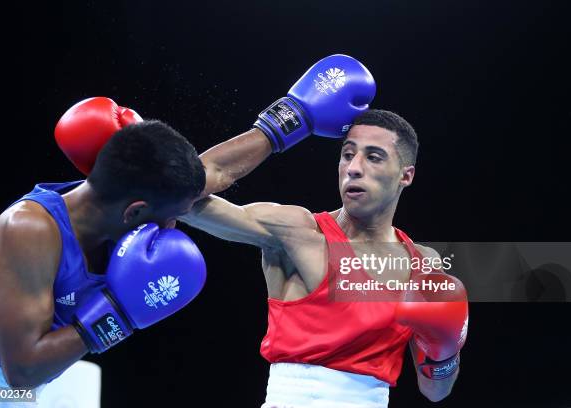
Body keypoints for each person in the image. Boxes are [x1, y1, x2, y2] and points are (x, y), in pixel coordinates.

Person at [59, 55, 468, 407]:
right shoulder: (297, 231)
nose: (355, 167)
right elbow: (186, 193)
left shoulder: (424, 264)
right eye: (347, 154)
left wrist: (443, 349)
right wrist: (288, 119)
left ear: (406, 175)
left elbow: (436, 392)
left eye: (374, 157)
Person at [0, 98, 208, 407]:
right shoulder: (29, 230)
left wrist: (281, 122)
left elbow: (216, 172)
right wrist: (118, 312)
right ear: (135, 212)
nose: (172, 228)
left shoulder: (118, 203)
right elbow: (22, 372)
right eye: (172, 217)